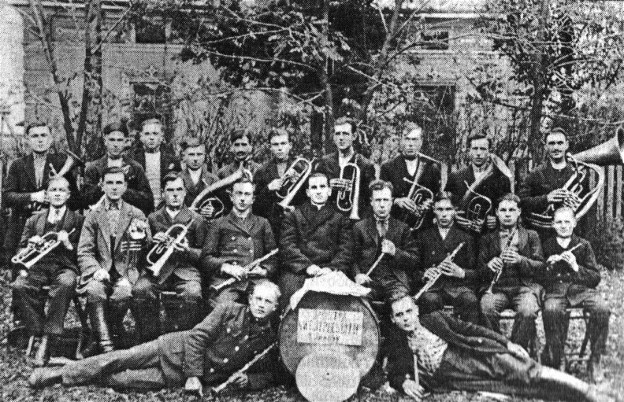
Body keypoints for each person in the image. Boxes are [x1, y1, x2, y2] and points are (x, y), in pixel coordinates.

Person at [28, 281, 281, 394]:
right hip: (170, 349)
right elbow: (196, 338)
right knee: (119, 358)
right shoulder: (228, 310)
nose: (260, 305)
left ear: (275, 307)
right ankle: (55, 374)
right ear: (249, 299)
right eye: (257, 298)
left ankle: (71, 368)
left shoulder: (269, 339)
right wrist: (194, 375)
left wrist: (250, 380)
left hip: (176, 376)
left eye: (267, 301)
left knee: (122, 379)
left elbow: (271, 374)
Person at [386, 295, 613, 402]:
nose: (406, 318)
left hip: (476, 355)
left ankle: (587, 392)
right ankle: (569, 396)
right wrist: (403, 382)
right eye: (399, 315)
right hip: (456, 376)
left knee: (527, 372)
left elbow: (474, 330)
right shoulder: (398, 341)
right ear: (393, 319)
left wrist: (507, 343)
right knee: (516, 387)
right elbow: (393, 371)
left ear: (416, 310)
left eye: (408, 312)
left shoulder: (435, 319)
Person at [77, 167, 152, 353]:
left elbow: (148, 250)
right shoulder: (93, 215)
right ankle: (107, 345)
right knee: (94, 290)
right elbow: (84, 251)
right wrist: (96, 270)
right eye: (109, 183)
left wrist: (143, 237)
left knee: (123, 294)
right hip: (101, 269)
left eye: (119, 183)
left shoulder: (136, 213)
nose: (114, 187)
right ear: (102, 186)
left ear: (126, 186)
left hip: (127, 271)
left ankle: (100, 337)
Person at [11, 177, 84, 366]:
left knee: (66, 283)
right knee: (19, 286)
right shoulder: (34, 219)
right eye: (53, 190)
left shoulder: (78, 220)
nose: (57, 194)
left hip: (65, 266)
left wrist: (68, 244)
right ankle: (43, 330)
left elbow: (85, 250)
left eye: (62, 190)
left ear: (68, 195)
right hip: (39, 267)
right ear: (47, 194)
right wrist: (29, 246)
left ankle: (46, 340)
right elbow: (19, 250)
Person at [133, 173, 208, 342]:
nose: (175, 194)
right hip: (157, 272)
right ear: (162, 193)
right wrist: (152, 242)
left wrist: (187, 250)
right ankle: (149, 338)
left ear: (185, 193)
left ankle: (184, 339)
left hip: (185, 270)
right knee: (140, 290)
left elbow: (204, 254)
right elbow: (144, 255)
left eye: (179, 190)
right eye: (170, 190)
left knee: (193, 292)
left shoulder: (197, 220)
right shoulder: (153, 218)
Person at [540, 207, 610, 382]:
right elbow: (538, 276)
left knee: (602, 309)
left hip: (581, 289)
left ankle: (595, 360)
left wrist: (576, 267)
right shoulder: (546, 244)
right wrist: (548, 265)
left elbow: (595, 277)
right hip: (556, 291)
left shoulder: (584, 245)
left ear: (574, 223)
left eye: (567, 222)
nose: (563, 226)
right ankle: (558, 359)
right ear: (553, 224)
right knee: (551, 311)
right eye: (559, 222)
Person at [3, 122, 79, 269]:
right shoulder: (17, 165)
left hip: (52, 229)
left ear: (50, 139)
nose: (40, 139)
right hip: (21, 228)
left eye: (44, 135)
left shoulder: (61, 163)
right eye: (35, 136)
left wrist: (55, 201)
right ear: (27, 140)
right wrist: (33, 196)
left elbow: (76, 200)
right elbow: (7, 197)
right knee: (19, 276)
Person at [478, 194, 544, 351]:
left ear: (519, 212)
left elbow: (541, 266)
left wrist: (520, 260)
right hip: (497, 289)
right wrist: (489, 266)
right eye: (503, 210)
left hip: (524, 288)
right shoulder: (487, 238)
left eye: (512, 210)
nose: (507, 214)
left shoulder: (531, 235)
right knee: (486, 308)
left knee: (528, 311)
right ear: (497, 212)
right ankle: (500, 350)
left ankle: (516, 350)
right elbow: (479, 271)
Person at [279, 172, 353, 310]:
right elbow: (287, 246)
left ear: (329, 191)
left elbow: (346, 249)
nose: (318, 191)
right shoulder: (293, 216)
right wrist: (307, 266)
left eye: (322, 186)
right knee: (289, 293)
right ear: (307, 192)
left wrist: (330, 268)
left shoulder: (340, 218)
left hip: (329, 269)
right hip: (299, 270)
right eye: (314, 187)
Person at [201, 178, 277, 307]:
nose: (242, 198)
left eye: (247, 194)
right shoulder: (218, 223)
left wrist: (264, 271)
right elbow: (206, 258)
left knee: (269, 301)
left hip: (255, 280)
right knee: (224, 308)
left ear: (253, 199)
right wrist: (227, 268)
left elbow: (274, 256)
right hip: (226, 281)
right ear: (231, 197)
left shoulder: (263, 223)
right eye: (238, 193)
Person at [412, 192, 479, 324]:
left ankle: (468, 341)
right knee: (429, 300)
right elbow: (413, 269)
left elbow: (477, 272)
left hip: (458, 288)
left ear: (455, 211)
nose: (444, 214)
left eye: (448, 209)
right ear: (434, 210)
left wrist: (462, 273)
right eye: (439, 209)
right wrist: (424, 274)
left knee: (470, 300)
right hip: (432, 288)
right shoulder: (422, 236)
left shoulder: (467, 238)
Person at [351, 180, 418, 301]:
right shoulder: (359, 227)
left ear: (392, 202)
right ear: (371, 202)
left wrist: (395, 251)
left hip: (394, 282)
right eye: (378, 200)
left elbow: (413, 260)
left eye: (386, 200)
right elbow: (352, 258)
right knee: (360, 303)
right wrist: (357, 275)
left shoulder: (403, 228)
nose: (382, 205)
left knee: (402, 303)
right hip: (368, 280)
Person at [519, 127, 589, 238]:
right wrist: (546, 199)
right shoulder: (535, 174)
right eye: (551, 143)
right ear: (546, 147)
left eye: (560, 143)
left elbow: (587, 209)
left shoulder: (577, 174)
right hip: (543, 235)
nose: (556, 147)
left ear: (567, 145)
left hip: (572, 235)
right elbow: (521, 202)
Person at [444, 133, 512, 234]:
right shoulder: (456, 176)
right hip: (461, 233)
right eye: (475, 148)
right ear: (469, 151)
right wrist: (453, 215)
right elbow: (445, 204)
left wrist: (497, 220)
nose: (479, 153)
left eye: (483, 149)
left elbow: (509, 207)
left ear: (489, 152)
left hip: (490, 236)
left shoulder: (502, 179)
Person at [82, 121, 154, 215]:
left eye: (119, 140)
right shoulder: (93, 168)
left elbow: (148, 201)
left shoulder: (135, 168)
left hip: (128, 217)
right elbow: (84, 201)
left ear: (125, 141)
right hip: (101, 218)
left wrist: (125, 191)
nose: (115, 144)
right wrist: (100, 187)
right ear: (105, 141)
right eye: (112, 140)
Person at [380, 122, 441, 231]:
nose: (410, 144)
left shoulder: (431, 167)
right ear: (401, 141)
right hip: (396, 227)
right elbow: (380, 197)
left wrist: (430, 205)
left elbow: (437, 197)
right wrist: (397, 201)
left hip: (424, 228)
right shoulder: (387, 167)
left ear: (421, 142)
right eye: (407, 139)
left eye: (414, 140)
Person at [314, 116, 375, 220]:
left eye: (345, 134)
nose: (341, 138)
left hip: (354, 221)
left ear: (354, 136)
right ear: (334, 137)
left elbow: (370, 200)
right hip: (328, 220)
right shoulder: (325, 162)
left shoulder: (365, 165)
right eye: (337, 134)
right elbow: (314, 192)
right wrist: (329, 186)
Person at [253, 129, 306, 238]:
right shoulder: (261, 171)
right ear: (270, 147)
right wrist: (268, 188)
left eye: (283, 143)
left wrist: (296, 210)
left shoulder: (301, 168)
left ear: (290, 145)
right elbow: (255, 206)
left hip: (295, 224)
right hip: (271, 227)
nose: (280, 148)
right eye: (275, 144)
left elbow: (308, 199)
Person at [131, 118, 181, 210]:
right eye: (147, 134)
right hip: (139, 209)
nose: (151, 137)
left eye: (155, 133)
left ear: (162, 137)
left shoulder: (172, 160)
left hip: (165, 209)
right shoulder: (133, 160)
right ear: (141, 137)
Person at [178, 137, 220, 220]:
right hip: (185, 225)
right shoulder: (177, 179)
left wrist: (213, 211)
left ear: (204, 156)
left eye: (199, 154)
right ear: (184, 156)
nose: (195, 159)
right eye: (191, 154)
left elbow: (222, 206)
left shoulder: (213, 180)